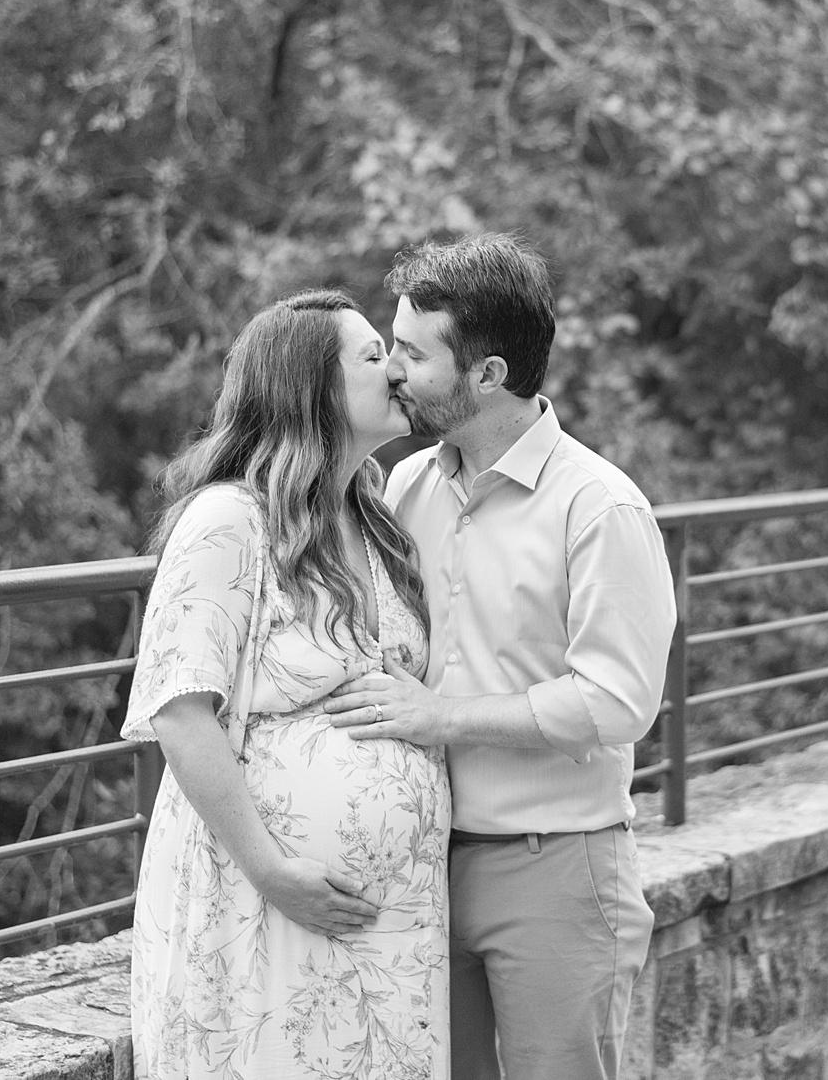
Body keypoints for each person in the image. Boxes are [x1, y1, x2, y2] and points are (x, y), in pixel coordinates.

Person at [324, 235, 677, 1080]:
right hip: (425, 871)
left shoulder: (599, 507)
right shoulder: (404, 487)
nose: (394, 371)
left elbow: (619, 702)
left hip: (554, 866)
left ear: (486, 374)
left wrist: (442, 717)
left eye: (413, 351)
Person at [121, 288, 450, 1080]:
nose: (399, 369)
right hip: (262, 906)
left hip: (393, 932)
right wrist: (274, 869)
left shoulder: (373, 516)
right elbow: (177, 710)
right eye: (375, 355)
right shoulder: (227, 521)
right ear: (312, 388)